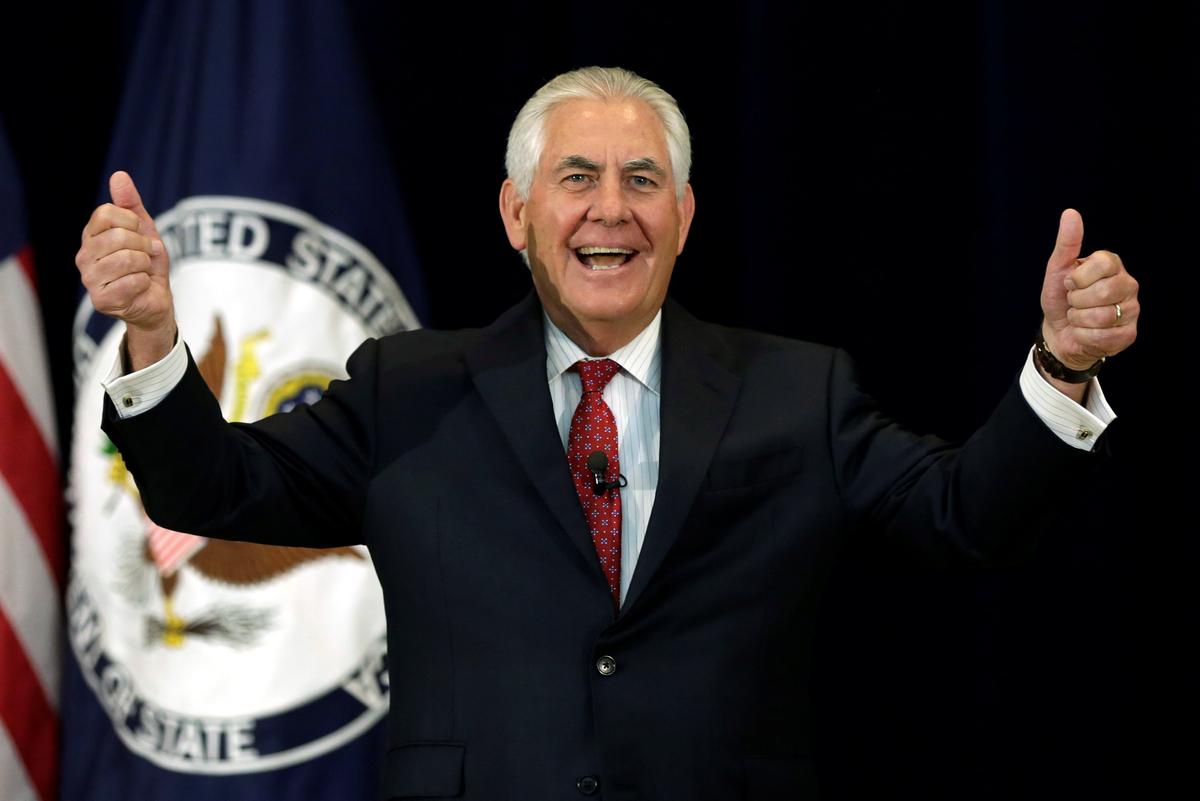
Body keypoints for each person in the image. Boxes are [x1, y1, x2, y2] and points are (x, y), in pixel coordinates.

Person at [76, 66, 1139, 800]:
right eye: (576, 178)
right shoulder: (410, 387)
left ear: (684, 217)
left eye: (643, 182)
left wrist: (1062, 368)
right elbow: (211, 494)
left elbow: (963, 520)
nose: (610, 209)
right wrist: (157, 337)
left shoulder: (795, 393)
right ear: (516, 214)